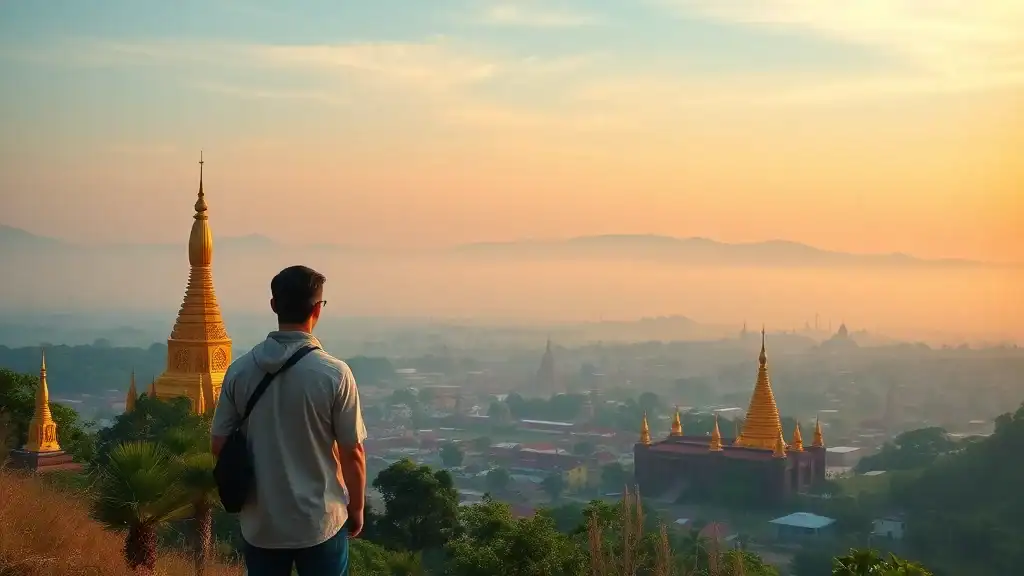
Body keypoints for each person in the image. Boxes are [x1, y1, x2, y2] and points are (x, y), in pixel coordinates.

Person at [212, 265, 367, 576]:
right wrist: (357, 508)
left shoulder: (239, 371)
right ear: (317, 309)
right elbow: (352, 453)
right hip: (320, 520)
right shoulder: (334, 374)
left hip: (262, 522)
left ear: (274, 305)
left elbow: (219, 444)